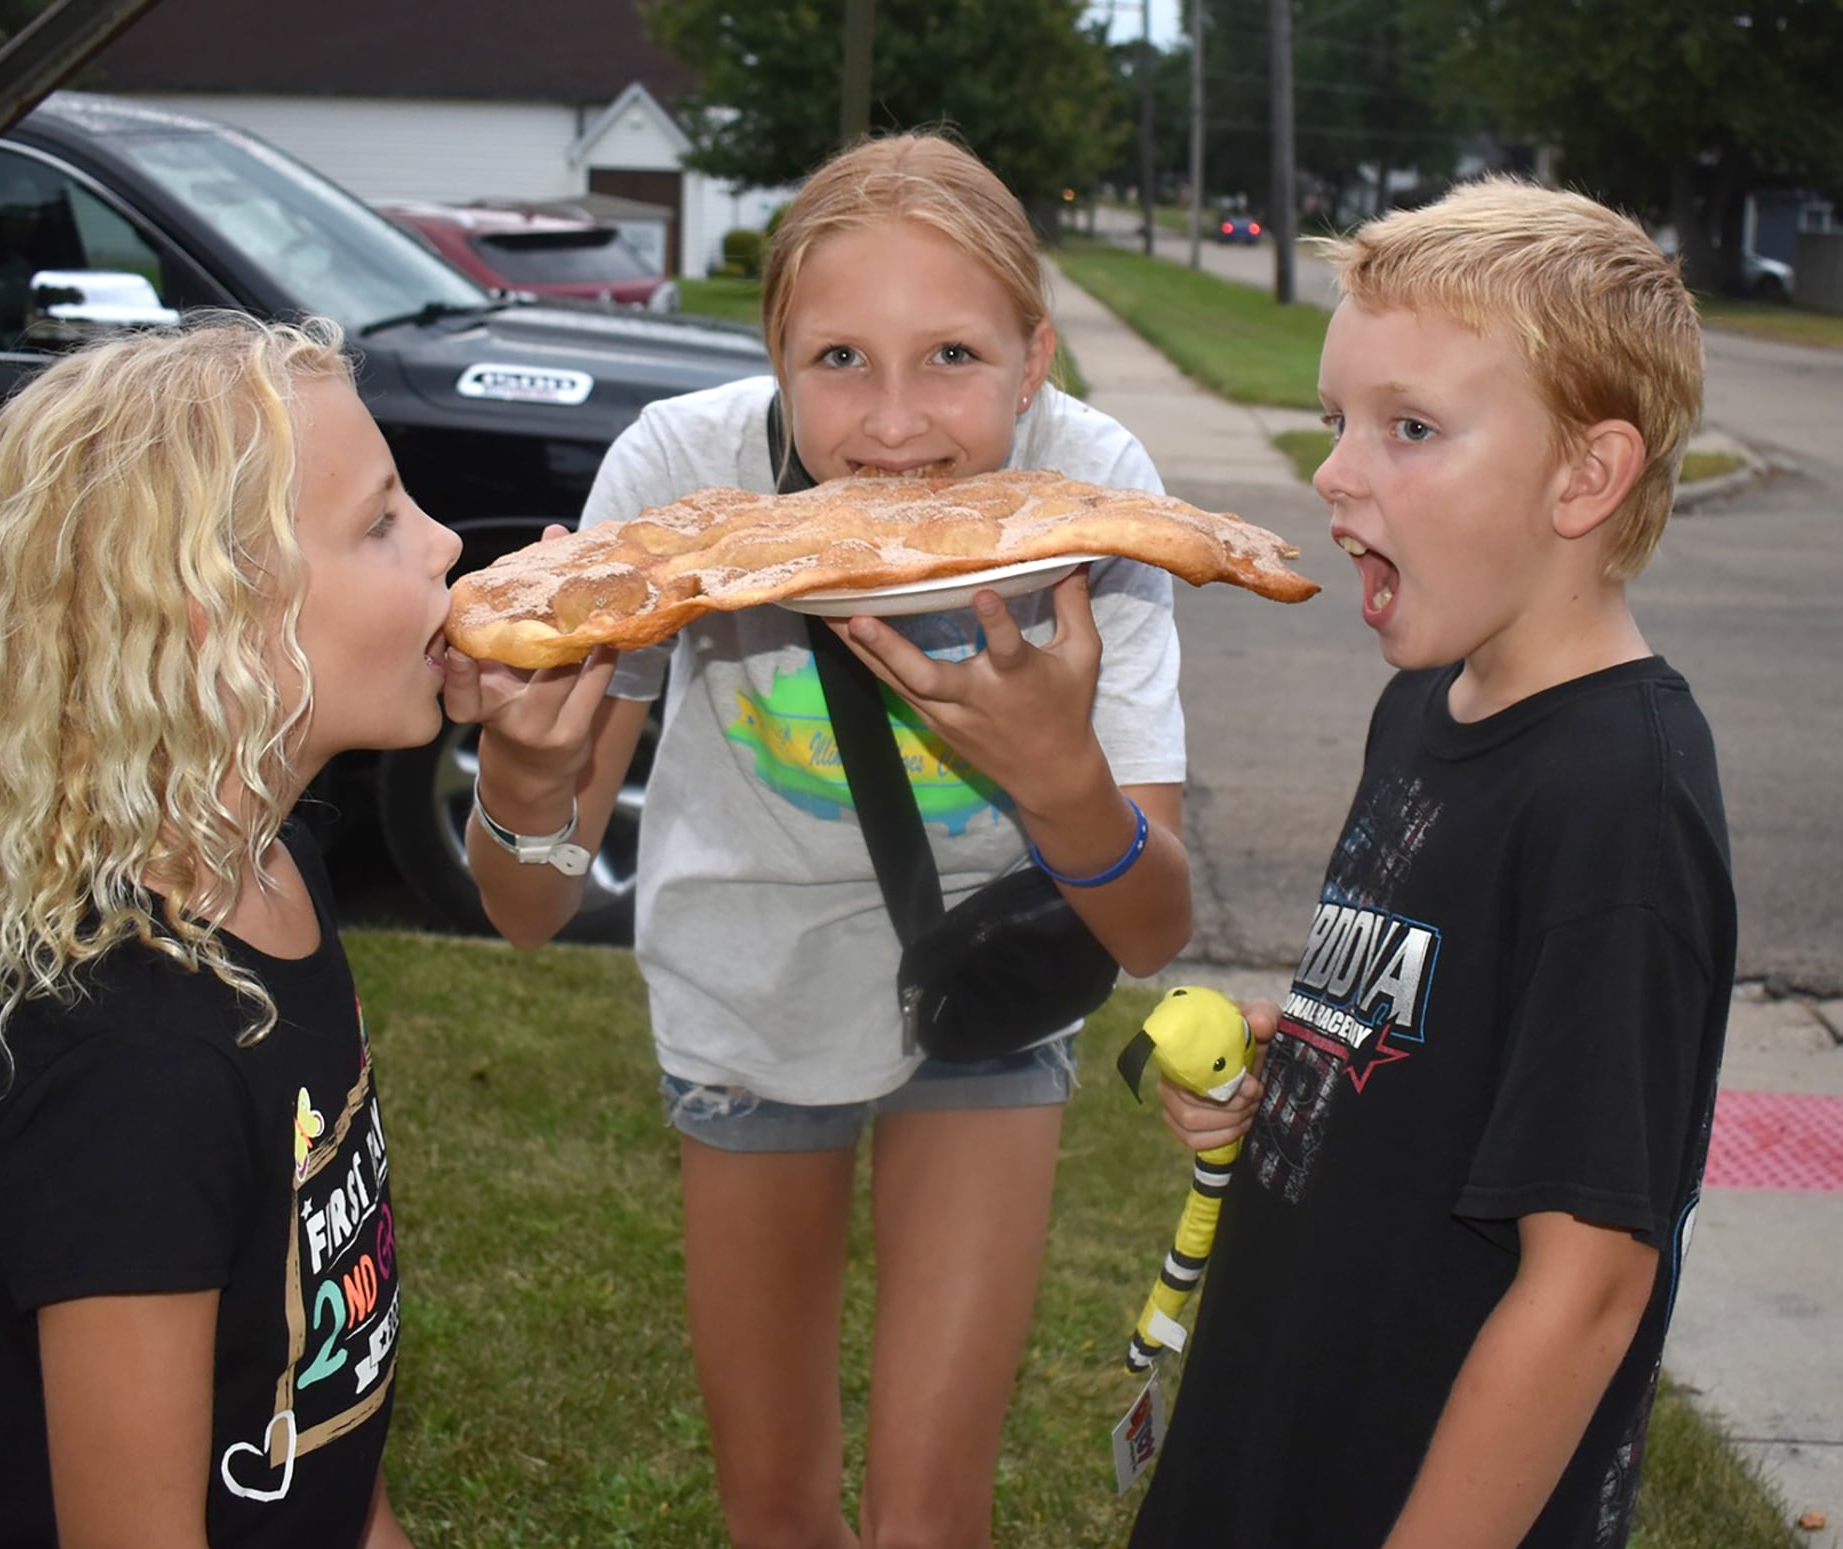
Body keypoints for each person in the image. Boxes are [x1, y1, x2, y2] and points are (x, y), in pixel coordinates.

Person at [443, 131, 1194, 1546]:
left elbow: (1149, 926)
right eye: (838, 358)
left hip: (985, 992)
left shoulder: (1091, 495)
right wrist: (524, 783)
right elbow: (530, 909)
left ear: (1037, 358)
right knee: (776, 1515)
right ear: (775, 359)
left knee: (926, 1522)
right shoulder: (682, 474)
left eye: (954, 358)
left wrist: (1058, 772)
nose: (893, 424)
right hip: (746, 991)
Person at [1129, 176, 1737, 1549]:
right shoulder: (1428, 703)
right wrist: (1305, 1071)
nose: (1336, 468)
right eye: (1339, 418)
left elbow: (1586, 1283)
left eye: (1410, 429)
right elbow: (1442, 1036)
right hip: (1276, 1429)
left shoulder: (1617, 801)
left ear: (1587, 475)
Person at [0, 313, 462, 1548]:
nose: (447, 543)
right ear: (221, 626)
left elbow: (332, 1431)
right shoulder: (131, 1060)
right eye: (379, 523)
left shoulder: (276, 879)